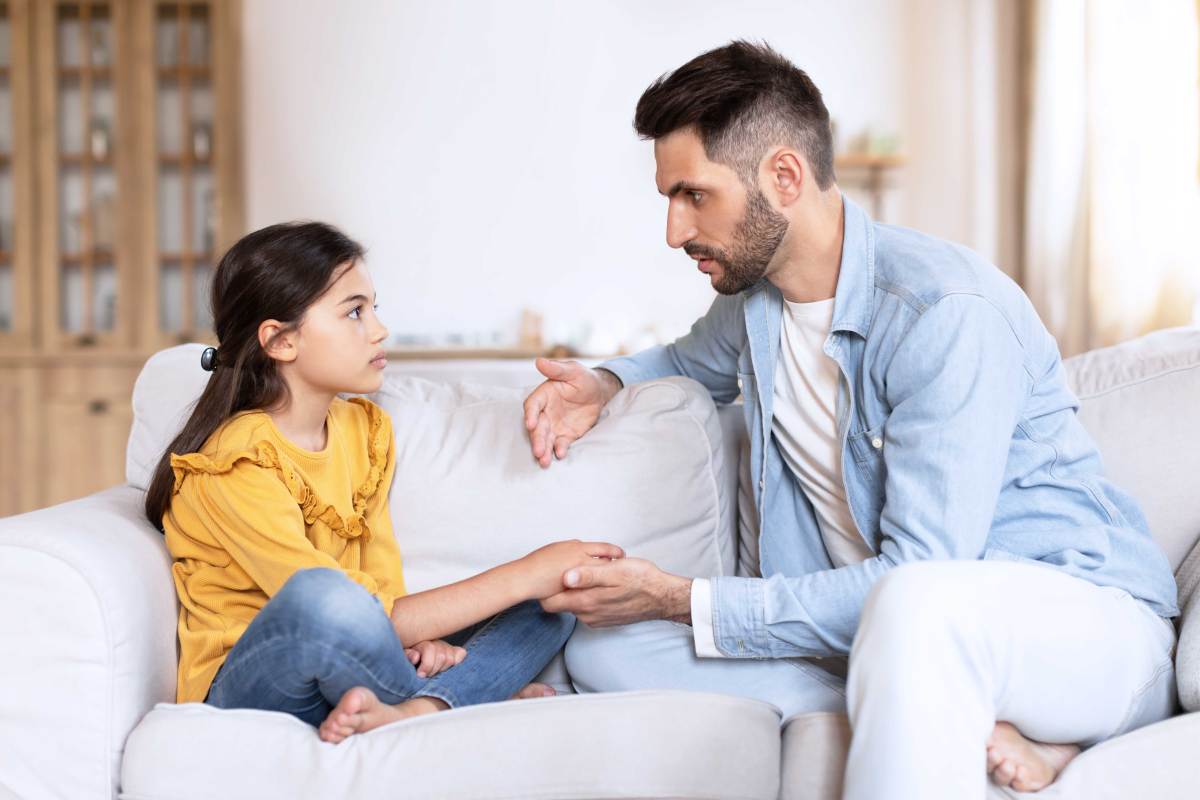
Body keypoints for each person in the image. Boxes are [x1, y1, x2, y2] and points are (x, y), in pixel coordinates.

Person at [522, 41, 1178, 798]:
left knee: (915, 603)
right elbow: (681, 362)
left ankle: (1006, 714)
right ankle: (949, 715)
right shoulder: (755, 302)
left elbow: (926, 570)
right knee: (608, 649)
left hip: (1080, 626)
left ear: (784, 176)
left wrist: (683, 596)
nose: (674, 231)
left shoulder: (944, 314)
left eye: (693, 195)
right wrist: (600, 383)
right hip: (893, 635)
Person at [144, 221, 623, 744]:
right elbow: (349, 612)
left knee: (552, 604)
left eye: (374, 308)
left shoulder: (363, 431)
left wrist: (523, 588)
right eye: (354, 312)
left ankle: (417, 709)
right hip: (253, 688)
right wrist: (525, 571)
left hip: (355, 661)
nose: (379, 329)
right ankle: (457, 703)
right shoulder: (234, 463)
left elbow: (382, 590)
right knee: (323, 597)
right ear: (280, 341)